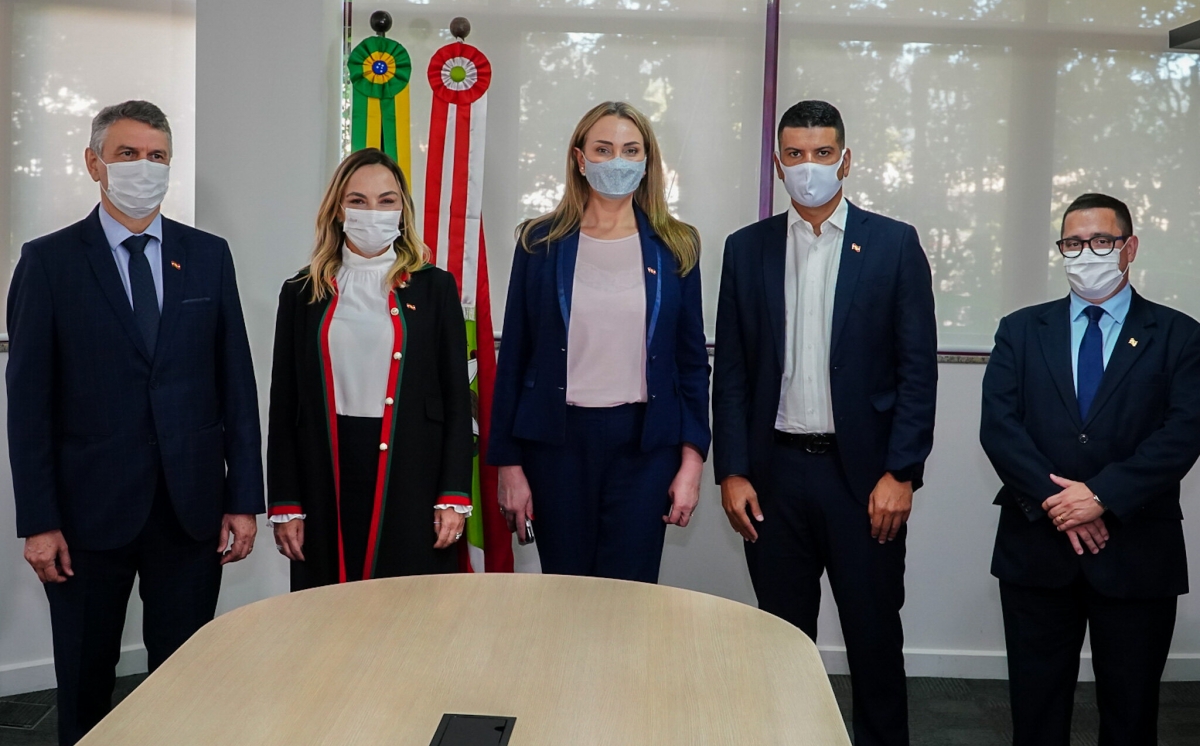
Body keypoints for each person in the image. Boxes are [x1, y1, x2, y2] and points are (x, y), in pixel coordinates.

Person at [6, 100, 263, 745]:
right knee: (85, 680)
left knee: (185, 679)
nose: (143, 168)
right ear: (94, 164)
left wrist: (243, 499)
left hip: (190, 509)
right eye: (127, 154)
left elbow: (236, 383)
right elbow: (28, 406)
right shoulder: (48, 261)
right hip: (86, 516)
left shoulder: (208, 256)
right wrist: (39, 521)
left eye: (157, 156)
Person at [712, 100, 937, 746]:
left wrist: (901, 473)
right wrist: (732, 470)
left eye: (821, 153)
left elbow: (917, 371)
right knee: (781, 641)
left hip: (864, 482)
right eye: (795, 154)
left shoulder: (893, 245)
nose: (808, 166)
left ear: (845, 160)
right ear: (777, 163)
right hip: (773, 478)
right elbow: (732, 373)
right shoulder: (746, 249)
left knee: (873, 639)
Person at [980, 192, 1200, 745]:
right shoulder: (1020, 330)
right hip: (1037, 546)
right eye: (1073, 243)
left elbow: (1182, 434)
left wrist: (1100, 497)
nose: (1087, 253)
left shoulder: (1179, 335)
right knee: (1036, 710)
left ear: (1130, 248)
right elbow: (1000, 429)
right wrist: (1063, 505)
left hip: (1136, 549)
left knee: (1131, 713)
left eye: (1101, 241)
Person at [488, 101, 710, 583]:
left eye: (630, 150)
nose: (617, 161)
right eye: (604, 149)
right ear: (579, 158)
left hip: (645, 449)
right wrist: (508, 464)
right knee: (566, 592)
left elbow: (692, 363)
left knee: (629, 595)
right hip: (556, 446)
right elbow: (515, 358)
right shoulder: (539, 243)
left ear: (647, 161)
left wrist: (692, 463)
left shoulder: (677, 245)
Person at [267, 148, 473, 589]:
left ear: (402, 210)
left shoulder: (435, 288)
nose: (373, 211)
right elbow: (284, 404)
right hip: (325, 470)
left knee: (408, 607)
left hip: (412, 471)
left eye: (386, 200)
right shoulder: (301, 292)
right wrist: (286, 501)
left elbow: (457, 400)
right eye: (358, 200)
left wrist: (453, 494)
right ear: (338, 209)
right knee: (327, 607)